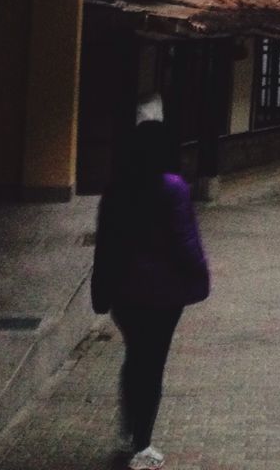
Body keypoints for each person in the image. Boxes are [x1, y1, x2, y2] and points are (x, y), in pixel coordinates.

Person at [91, 120, 210, 470]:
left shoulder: (115, 190)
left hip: (125, 293)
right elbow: (185, 241)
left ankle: (130, 432)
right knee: (152, 363)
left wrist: (102, 289)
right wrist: (200, 278)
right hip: (163, 293)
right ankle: (142, 445)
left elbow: (105, 245)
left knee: (135, 357)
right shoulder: (172, 187)